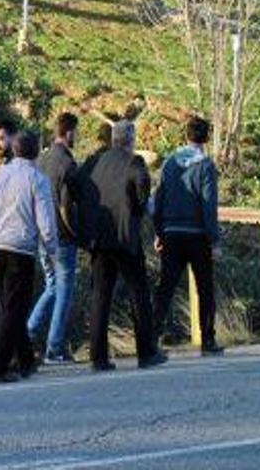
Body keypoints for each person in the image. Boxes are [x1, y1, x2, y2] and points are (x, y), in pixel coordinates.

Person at [76, 120, 167, 372]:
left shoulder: (94, 161)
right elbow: (141, 185)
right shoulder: (134, 161)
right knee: (138, 293)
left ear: (113, 139)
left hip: (99, 238)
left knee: (100, 297)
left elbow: (73, 184)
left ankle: (98, 357)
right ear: (131, 139)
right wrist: (138, 208)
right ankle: (146, 352)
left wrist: (87, 212)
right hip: (125, 237)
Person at [0, 131, 59, 383]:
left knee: (10, 305)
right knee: (15, 308)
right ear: (36, 151)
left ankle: (25, 360)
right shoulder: (37, 178)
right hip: (20, 249)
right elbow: (45, 219)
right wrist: (52, 249)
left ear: (15, 150)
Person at [151, 116, 224, 357]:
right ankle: (207, 340)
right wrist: (214, 240)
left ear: (186, 135)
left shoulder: (170, 162)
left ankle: (151, 338)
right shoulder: (205, 165)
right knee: (205, 289)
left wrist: (158, 231)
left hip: (171, 233)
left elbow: (158, 198)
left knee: (165, 289)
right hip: (197, 236)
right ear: (206, 138)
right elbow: (208, 205)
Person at [26, 112, 81, 364]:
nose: (77, 137)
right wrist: (76, 232)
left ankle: (25, 336)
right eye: (76, 133)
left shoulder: (41, 160)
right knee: (64, 291)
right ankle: (54, 348)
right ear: (68, 132)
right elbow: (68, 205)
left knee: (51, 287)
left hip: (41, 235)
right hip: (62, 237)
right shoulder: (67, 165)